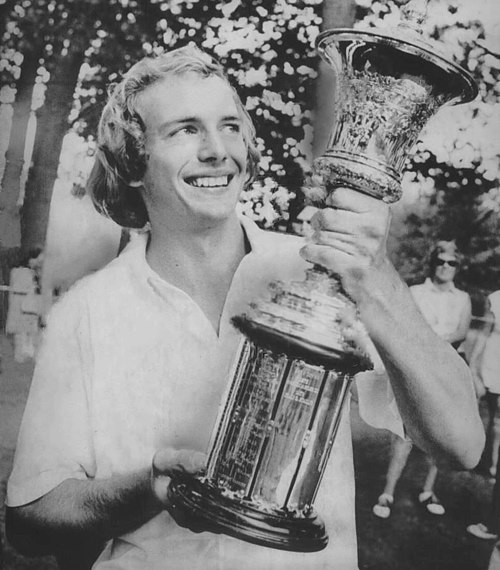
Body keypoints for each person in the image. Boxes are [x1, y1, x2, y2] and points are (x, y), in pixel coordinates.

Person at [5, 46, 483, 570]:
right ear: (132, 162)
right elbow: (30, 520)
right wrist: (149, 488)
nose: (218, 150)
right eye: (185, 129)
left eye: (230, 127)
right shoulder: (87, 310)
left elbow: (461, 445)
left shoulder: (324, 271)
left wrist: (376, 274)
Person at [372, 241, 472, 519]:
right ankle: (388, 492)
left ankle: (428, 491)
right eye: (441, 261)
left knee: (440, 434)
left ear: (457, 267)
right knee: (405, 433)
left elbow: (461, 332)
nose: (445, 267)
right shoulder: (416, 292)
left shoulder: (462, 298)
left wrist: (435, 344)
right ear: (433, 262)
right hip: (417, 368)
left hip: (446, 370)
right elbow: (406, 325)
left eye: (452, 263)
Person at [467, 290, 500, 542]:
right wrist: (474, 368)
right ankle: (479, 459)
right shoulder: (496, 299)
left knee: (498, 424)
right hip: (491, 365)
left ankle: (491, 464)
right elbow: (484, 334)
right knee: (486, 419)